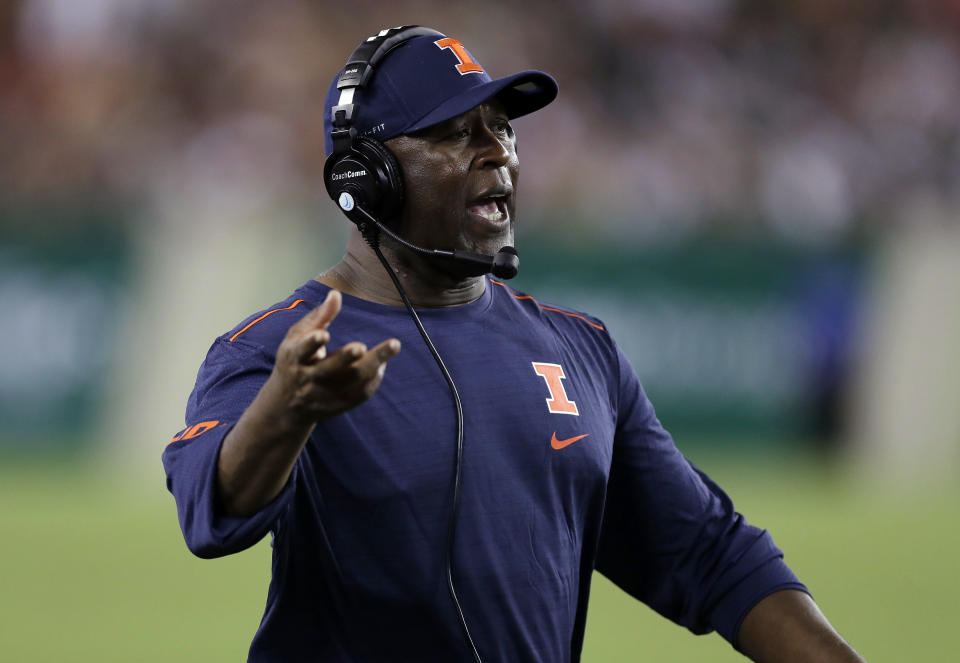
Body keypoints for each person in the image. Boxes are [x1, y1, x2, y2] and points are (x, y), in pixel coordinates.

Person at [162, 26, 866, 663]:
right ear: (365, 177)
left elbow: (711, 556)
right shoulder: (278, 349)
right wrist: (288, 411)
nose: (497, 150)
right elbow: (210, 510)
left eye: (501, 128)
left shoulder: (581, 349)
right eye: (456, 133)